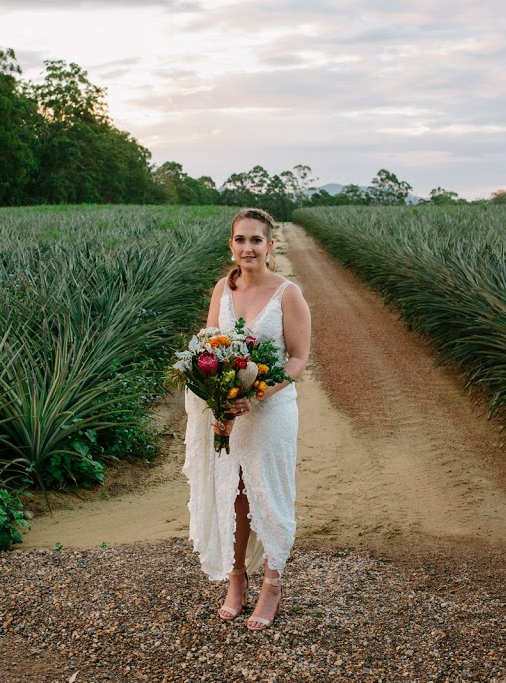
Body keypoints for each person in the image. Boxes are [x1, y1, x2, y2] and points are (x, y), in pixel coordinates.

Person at [182, 207, 311, 631]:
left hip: (269, 410)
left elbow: (297, 359)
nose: (248, 247)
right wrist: (218, 403)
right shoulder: (223, 287)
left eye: (256, 240)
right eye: (240, 240)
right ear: (231, 245)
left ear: (270, 245)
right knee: (233, 490)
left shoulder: (288, 293)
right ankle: (236, 580)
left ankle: (272, 585)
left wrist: (257, 394)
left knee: (269, 493)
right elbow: (208, 350)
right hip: (226, 413)